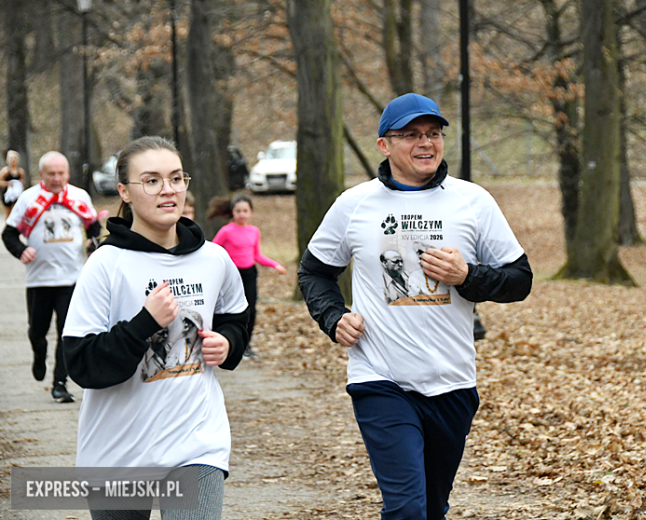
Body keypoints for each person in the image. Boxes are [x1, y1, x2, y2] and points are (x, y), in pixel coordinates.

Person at [298, 93, 533, 520]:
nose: (425, 143)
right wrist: (333, 318)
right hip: (380, 379)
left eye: (432, 134)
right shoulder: (354, 205)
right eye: (410, 135)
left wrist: (468, 277)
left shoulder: (472, 201)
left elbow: (520, 280)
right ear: (384, 145)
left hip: (453, 382)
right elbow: (314, 272)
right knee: (406, 508)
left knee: (431, 508)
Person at [62, 136, 249, 519]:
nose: (168, 190)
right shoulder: (106, 264)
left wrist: (228, 343)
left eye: (177, 178)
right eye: (151, 181)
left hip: (197, 443)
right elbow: (81, 364)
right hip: (118, 452)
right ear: (124, 192)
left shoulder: (213, 258)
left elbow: (237, 316)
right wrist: (144, 323)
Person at [2, 151, 100, 403]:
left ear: (67, 173)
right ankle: (38, 352)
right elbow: (9, 234)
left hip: (72, 278)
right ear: (42, 174)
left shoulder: (79, 197)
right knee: (37, 331)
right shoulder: (28, 199)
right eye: (51, 174)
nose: (57, 179)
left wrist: (93, 243)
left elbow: (94, 227)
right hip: (39, 280)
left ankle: (60, 384)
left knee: (67, 333)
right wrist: (21, 250)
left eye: (61, 173)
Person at [208, 194, 287, 359]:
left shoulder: (254, 231)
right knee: (231, 309)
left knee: (250, 310)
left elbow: (257, 255)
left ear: (250, 212)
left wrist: (275, 265)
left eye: (245, 211)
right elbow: (213, 251)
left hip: (250, 273)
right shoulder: (226, 231)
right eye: (238, 211)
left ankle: (246, 345)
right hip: (232, 275)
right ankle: (228, 341)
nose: (242, 214)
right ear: (233, 212)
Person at [1, 150, 27, 217]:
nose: (13, 161)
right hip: (7, 193)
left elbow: (23, 180)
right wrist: (7, 183)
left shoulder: (20, 171)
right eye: (11, 159)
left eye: (15, 159)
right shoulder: (5, 171)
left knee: (16, 210)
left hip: (17, 193)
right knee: (8, 212)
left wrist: (20, 183)